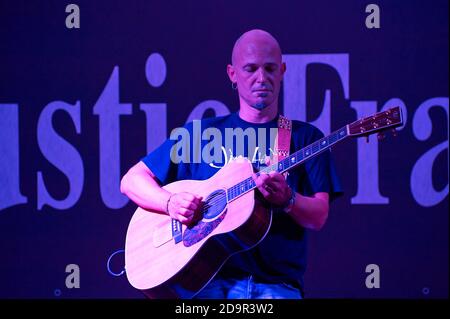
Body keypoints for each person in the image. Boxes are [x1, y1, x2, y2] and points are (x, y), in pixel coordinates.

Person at [120, 29, 342, 299]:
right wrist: (171, 202)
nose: (262, 78)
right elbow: (132, 181)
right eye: (250, 69)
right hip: (206, 285)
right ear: (232, 74)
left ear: (282, 71)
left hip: (276, 288)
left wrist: (288, 199)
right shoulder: (198, 134)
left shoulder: (305, 138)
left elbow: (319, 215)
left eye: (270, 68)